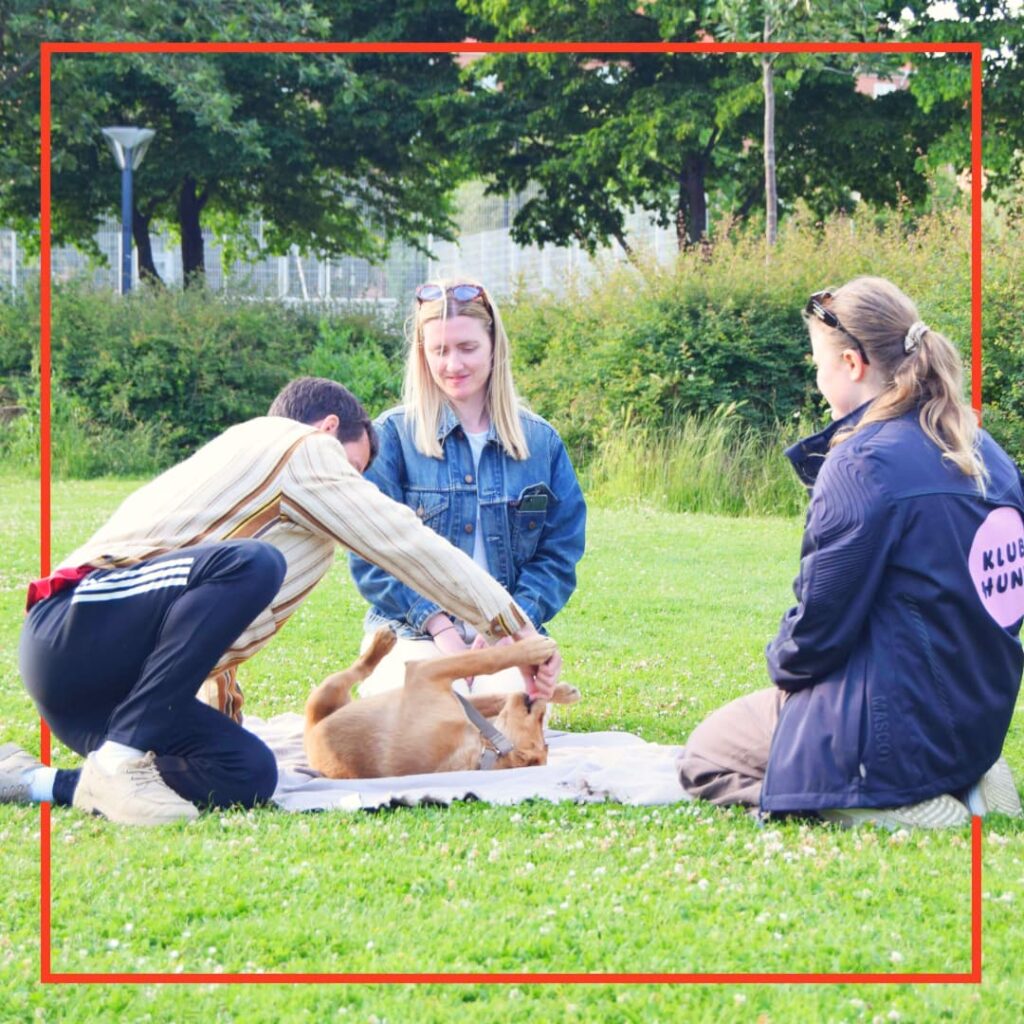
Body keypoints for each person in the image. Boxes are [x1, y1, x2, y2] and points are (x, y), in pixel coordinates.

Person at [1, 376, 556, 825]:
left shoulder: (259, 493)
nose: (353, 487)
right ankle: (121, 760)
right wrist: (516, 630)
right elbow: (400, 540)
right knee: (253, 564)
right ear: (330, 428)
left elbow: (201, 625)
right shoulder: (299, 447)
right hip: (74, 627)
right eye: (356, 471)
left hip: (102, 701)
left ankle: (39, 782)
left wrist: (221, 713)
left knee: (247, 772)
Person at [677, 276, 1024, 828]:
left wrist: (781, 666)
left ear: (852, 363)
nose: (817, 378)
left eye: (818, 363)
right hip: (974, 715)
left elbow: (818, 630)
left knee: (706, 751)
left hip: (889, 726)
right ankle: (973, 776)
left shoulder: (861, 462)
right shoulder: (987, 453)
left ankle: (881, 803)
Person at [348, 279, 586, 698]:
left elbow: (558, 555)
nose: (452, 364)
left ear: (494, 346)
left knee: (503, 720)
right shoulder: (392, 438)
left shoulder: (541, 443)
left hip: (505, 636)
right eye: (439, 350)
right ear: (422, 354)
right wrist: (443, 632)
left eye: (467, 348)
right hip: (411, 631)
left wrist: (509, 625)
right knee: (427, 722)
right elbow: (371, 557)